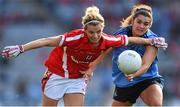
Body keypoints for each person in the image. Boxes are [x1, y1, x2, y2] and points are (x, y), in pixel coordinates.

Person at [1, 6, 167, 106]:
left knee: (156, 102)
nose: (95, 36)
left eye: (98, 32)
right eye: (91, 33)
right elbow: (46, 41)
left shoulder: (106, 38)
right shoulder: (74, 37)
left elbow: (129, 40)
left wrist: (153, 41)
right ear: (84, 30)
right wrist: (21, 48)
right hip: (57, 75)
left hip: (77, 79)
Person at [111, 4, 166, 106]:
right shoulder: (120, 35)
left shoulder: (153, 40)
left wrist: (134, 75)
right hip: (124, 82)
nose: (141, 26)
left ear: (150, 25)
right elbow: (104, 49)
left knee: (156, 105)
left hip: (147, 79)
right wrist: (91, 67)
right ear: (132, 21)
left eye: (145, 24)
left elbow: (145, 65)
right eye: (139, 22)